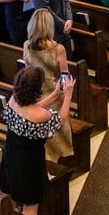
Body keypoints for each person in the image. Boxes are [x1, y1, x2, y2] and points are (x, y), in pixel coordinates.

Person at [0, 66, 74, 215]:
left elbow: (31, 109)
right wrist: (67, 96)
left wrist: (55, 94)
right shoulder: (42, 116)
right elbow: (60, 120)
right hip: (29, 165)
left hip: (11, 156)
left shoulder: (14, 100)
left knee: (12, 194)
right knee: (30, 205)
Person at [21, 9, 74, 162]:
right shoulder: (58, 49)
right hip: (54, 96)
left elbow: (27, 71)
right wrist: (66, 93)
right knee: (55, 136)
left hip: (35, 95)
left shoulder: (27, 45)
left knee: (41, 137)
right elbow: (65, 76)